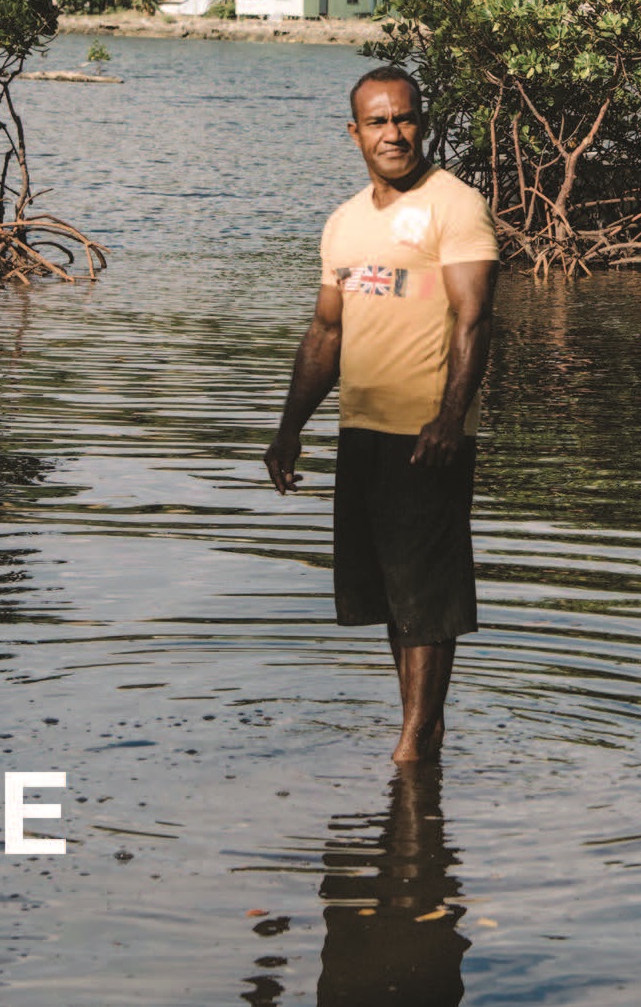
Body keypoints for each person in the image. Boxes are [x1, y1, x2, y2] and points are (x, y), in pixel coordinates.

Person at [264, 66, 498, 764]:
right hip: (361, 431)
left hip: (426, 433)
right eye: (377, 121)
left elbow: (473, 320)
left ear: (422, 123)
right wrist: (288, 426)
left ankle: (414, 742)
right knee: (395, 598)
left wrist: (449, 417)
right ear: (354, 132)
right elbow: (324, 334)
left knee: (425, 594)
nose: (392, 133)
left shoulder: (455, 205)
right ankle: (418, 735)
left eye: (404, 118)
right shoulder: (344, 222)